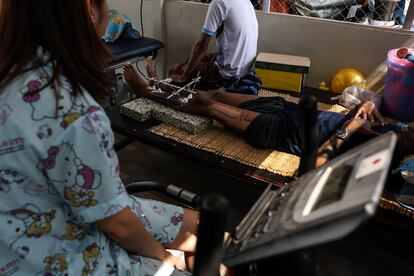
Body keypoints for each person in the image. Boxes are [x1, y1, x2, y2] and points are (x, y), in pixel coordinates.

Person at [0, 1, 198, 275]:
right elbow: (116, 225)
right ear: (90, 9)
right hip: (59, 251)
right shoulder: (76, 112)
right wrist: (165, 257)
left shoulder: (11, 71)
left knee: (200, 226)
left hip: (28, 218)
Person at [124, 62, 414, 168]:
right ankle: (158, 83)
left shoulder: (386, 159)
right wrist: (360, 110)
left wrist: (349, 126)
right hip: (286, 109)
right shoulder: (393, 134)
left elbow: (321, 159)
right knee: (219, 94)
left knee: (205, 103)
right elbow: (352, 123)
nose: (409, 127)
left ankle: (148, 93)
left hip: (279, 131)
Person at [169, 0, 259, 87]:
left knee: (176, 70)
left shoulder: (218, 2)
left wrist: (184, 75)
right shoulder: (246, 2)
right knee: (191, 60)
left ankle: (183, 97)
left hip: (229, 74)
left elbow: (202, 46)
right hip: (244, 68)